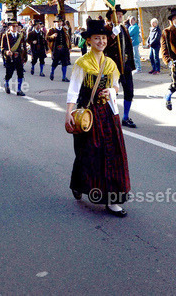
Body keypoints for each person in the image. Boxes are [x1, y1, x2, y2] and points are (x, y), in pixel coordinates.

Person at [66, 18, 131, 217]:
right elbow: (74, 89)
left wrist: (110, 90)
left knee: (113, 152)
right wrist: (69, 113)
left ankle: (112, 199)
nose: (101, 42)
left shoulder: (111, 63)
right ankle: (79, 183)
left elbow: (116, 86)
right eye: (97, 38)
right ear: (89, 41)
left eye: (103, 38)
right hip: (87, 113)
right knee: (88, 152)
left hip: (108, 113)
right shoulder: (82, 63)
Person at [105, 5, 137, 128]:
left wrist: (130, 62)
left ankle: (126, 117)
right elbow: (102, 46)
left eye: (120, 15)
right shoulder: (106, 29)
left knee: (129, 91)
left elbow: (128, 47)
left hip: (126, 66)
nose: (119, 17)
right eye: (117, 15)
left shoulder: (123, 28)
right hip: (112, 67)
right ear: (110, 16)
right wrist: (112, 35)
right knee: (111, 93)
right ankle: (111, 116)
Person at [1, 20, 27, 96]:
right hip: (10, 58)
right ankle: (6, 83)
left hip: (19, 58)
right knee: (9, 74)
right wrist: (6, 52)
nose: (15, 27)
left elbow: (24, 47)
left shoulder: (20, 35)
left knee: (20, 74)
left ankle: (19, 90)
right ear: (9, 27)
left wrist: (25, 57)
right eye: (13, 26)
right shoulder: (5, 35)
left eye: (16, 26)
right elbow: (2, 48)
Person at [47, 17, 71, 82]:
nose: (59, 23)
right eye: (57, 22)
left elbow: (68, 39)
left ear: (62, 23)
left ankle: (64, 77)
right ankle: (52, 72)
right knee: (55, 62)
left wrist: (69, 47)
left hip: (64, 49)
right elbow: (47, 38)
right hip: (56, 49)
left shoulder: (65, 30)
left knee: (64, 63)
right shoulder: (52, 30)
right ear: (55, 23)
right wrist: (52, 36)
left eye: (60, 22)